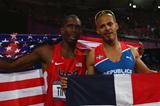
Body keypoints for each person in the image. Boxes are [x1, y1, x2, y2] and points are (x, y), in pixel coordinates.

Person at [0, 14, 86, 106]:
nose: (74, 30)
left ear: (80, 31)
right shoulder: (47, 52)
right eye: (70, 26)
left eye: (77, 27)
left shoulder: (86, 55)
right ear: (62, 30)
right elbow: (12, 66)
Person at [86, 10, 155, 75]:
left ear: (116, 26)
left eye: (110, 24)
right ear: (98, 30)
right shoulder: (92, 55)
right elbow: (89, 85)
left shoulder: (132, 51)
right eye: (102, 26)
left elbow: (148, 75)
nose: (107, 28)